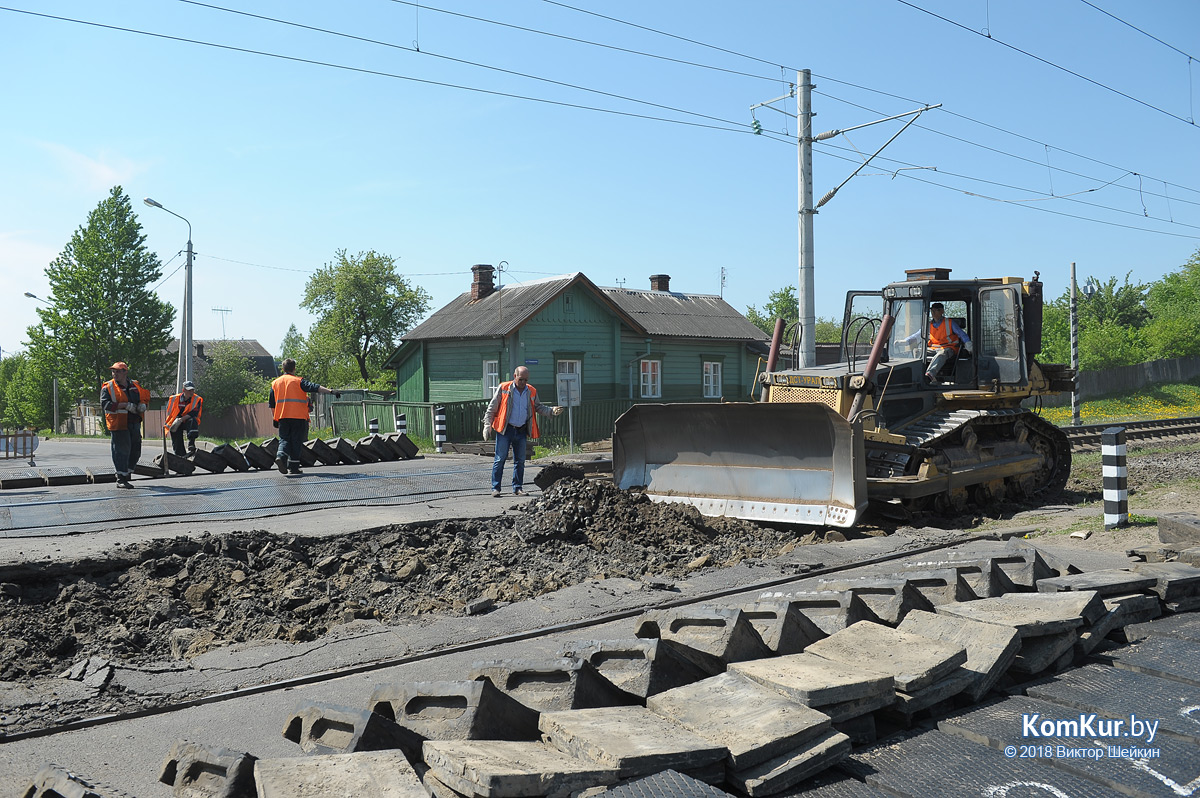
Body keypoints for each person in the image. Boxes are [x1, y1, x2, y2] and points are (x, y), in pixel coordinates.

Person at [483, 366, 563, 497]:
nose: (523, 383)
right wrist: (487, 424)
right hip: (505, 429)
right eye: (521, 379)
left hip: (521, 430)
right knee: (500, 459)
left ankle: (517, 488)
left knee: (520, 461)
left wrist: (551, 410)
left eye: (526, 380)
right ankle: (495, 488)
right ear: (515, 376)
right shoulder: (504, 388)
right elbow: (492, 407)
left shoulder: (531, 391)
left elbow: (537, 406)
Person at [268, 358, 339, 475]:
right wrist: (331, 391)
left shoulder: (275, 383)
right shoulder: (298, 381)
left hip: (283, 417)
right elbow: (315, 387)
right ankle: (293, 467)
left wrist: (274, 418)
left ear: (283, 369)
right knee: (296, 441)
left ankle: (280, 455)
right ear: (294, 368)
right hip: (298, 417)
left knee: (284, 439)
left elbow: (272, 404)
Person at [100, 361, 147, 488]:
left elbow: (144, 397)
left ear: (125, 372)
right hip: (119, 424)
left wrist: (142, 404)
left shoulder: (135, 385)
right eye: (113, 371)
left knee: (135, 450)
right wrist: (124, 405)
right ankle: (121, 479)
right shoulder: (108, 387)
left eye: (117, 371)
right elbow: (105, 405)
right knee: (121, 451)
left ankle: (127, 473)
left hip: (134, 422)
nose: (114, 373)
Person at [903, 302, 972, 384]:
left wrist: (969, 346)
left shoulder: (949, 323)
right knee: (917, 351)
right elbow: (917, 335)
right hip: (933, 348)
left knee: (941, 354)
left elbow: (962, 334)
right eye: (932, 310)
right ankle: (919, 374)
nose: (933, 312)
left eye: (936, 310)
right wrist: (905, 341)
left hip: (949, 348)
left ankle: (929, 376)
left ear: (942, 311)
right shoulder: (928, 325)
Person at [164, 380, 203, 457]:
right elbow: (170, 412)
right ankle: (180, 456)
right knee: (176, 435)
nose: (191, 392)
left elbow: (194, 413)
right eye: (189, 390)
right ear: (184, 390)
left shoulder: (197, 399)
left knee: (193, 420)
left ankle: (191, 443)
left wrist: (181, 419)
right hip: (176, 420)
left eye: (192, 390)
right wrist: (177, 421)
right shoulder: (174, 399)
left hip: (187, 421)